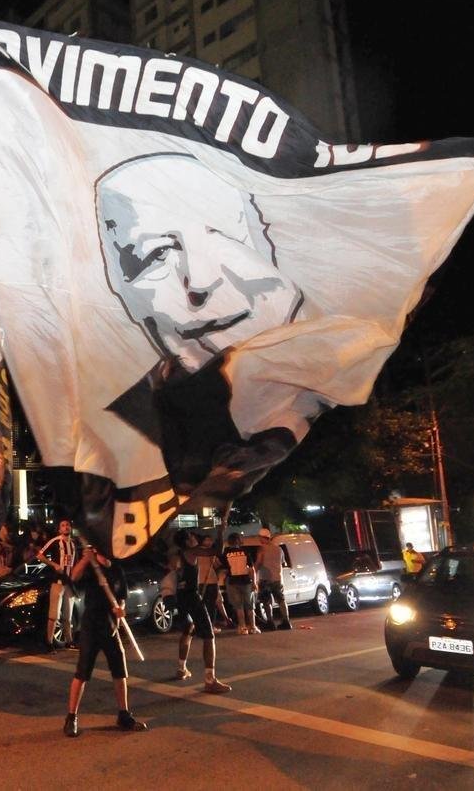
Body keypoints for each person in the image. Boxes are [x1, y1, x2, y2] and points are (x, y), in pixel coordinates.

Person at [97, 152, 307, 502]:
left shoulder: (291, 353)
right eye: (157, 255)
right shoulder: (112, 403)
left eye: (226, 237)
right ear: (119, 286)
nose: (201, 283)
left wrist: (280, 437)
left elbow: (313, 393)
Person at [63, 545, 148, 737]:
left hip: (111, 628)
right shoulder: (91, 569)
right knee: (82, 673)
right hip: (91, 627)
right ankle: (71, 717)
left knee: (120, 671)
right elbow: (73, 578)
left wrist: (120, 610)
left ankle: (124, 714)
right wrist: (85, 559)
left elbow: (122, 597)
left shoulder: (116, 569)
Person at [174, 531, 232, 692]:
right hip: (192, 596)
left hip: (180, 597)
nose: (195, 539)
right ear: (187, 541)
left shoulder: (177, 555)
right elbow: (217, 551)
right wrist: (222, 529)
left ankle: (181, 668)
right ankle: (210, 679)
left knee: (188, 630)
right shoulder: (191, 552)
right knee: (208, 635)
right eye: (192, 537)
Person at [38, 519, 79, 651]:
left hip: (69, 583)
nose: (66, 527)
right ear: (59, 529)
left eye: (68, 525)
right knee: (54, 614)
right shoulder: (55, 541)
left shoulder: (73, 544)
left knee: (68, 614)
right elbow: (40, 555)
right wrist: (54, 564)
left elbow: (75, 563)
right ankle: (48, 642)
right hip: (57, 582)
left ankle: (69, 640)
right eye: (63, 525)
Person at [255, 527, 291, 631]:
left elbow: (258, 562)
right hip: (277, 578)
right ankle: (286, 621)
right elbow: (282, 563)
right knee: (281, 600)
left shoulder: (261, 548)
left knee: (267, 601)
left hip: (265, 578)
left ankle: (270, 622)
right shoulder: (278, 549)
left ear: (262, 537)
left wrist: (253, 572)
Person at [221, 533, 258, 634]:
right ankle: (253, 627)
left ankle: (242, 627)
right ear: (238, 540)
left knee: (238, 606)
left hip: (232, 581)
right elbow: (251, 569)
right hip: (246, 581)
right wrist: (254, 582)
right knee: (250, 606)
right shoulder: (245, 552)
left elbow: (224, 570)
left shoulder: (225, 553)